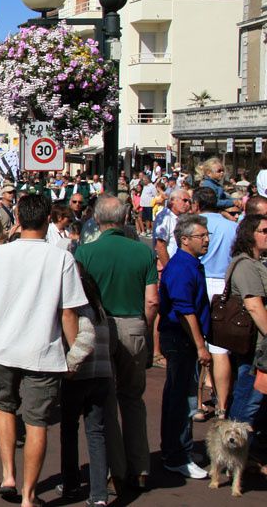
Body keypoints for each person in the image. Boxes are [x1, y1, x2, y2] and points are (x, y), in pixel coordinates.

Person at [0, 194, 87, 507]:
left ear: (17, 219)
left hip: (4, 347)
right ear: (48, 219)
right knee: (37, 421)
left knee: (4, 406)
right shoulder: (61, 258)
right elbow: (68, 313)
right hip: (42, 351)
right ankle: (29, 494)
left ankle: (8, 475)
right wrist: (74, 354)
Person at [74, 195, 158, 492]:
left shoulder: (85, 253)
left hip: (99, 326)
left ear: (97, 220)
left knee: (105, 401)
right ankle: (141, 466)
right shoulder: (143, 252)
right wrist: (145, 330)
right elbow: (152, 300)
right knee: (133, 399)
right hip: (134, 323)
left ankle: (116, 469)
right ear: (124, 220)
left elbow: (78, 298)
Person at [158, 214, 212, 479]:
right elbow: (184, 310)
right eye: (201, 236)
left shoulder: (191, 264)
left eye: (206, 235)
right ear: (185, 239)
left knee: (179, 396)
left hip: (183, 339)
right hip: (180, 340)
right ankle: (177, 454)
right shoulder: (181, 267)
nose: (207, 240)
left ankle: (178, 450)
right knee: (182, 399)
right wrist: (200, 346)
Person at [59, 263, 112, 506]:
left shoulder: (78, 307)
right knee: (96, 432)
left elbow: (86, 339)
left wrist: (70, 367)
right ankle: (99, 494)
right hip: (102, 375)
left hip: (80, 376)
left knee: (69, 430)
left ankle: (71, 484)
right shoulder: (99, 307)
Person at [195, 186, 238, 420]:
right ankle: (221, 405)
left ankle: (199, 404)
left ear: (197, 204)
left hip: (201, 282)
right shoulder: (232, 227)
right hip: (224, 285)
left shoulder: (192, 226)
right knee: (220, 348)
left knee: (199, 345)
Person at [224, 213, 267, 425]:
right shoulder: (246, 266)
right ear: (250, 235)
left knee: (253, 401)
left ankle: (246, 452)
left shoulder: (255, 263)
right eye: (264, 231)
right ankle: (233, 456)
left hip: (259, 346)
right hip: (256, 347)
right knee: (248, 401)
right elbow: (254, 305)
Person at [153, 188, 192, 269]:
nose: (188, 204)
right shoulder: (165, 217)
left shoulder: (180, 218)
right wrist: (169, 269)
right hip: (169, 266)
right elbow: (160, 245)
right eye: (184, 200)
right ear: (172, 201)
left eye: (189, 202)